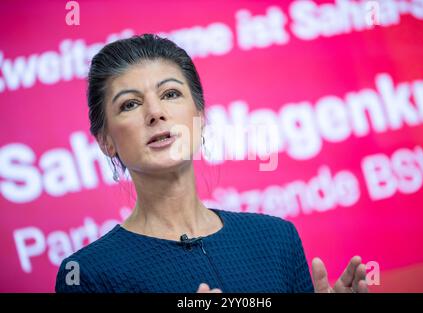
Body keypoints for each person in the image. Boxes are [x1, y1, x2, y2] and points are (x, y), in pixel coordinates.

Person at [55, 34, 368, 293]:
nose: (155, 112)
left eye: (171, 94)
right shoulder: (87, 276)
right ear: (105, 140)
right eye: (130, 104)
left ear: (200, 117)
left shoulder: (277, 239)